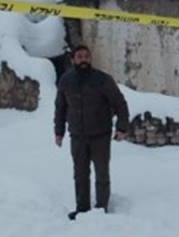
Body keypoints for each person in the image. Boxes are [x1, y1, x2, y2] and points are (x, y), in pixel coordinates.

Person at [54, 45, 130, 220]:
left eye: (86, 56)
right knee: (80, 174)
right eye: (79, 57)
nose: (83, 60)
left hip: (100, 135)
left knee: (101, 172)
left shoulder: (102, 79)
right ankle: (82, 209)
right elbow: (60, 108)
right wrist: (59, 132)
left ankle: (102, 208)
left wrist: (122, 127)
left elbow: (120, 103)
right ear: (73, 59)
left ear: (90, 59)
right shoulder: (66, 81)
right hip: (77, 136)